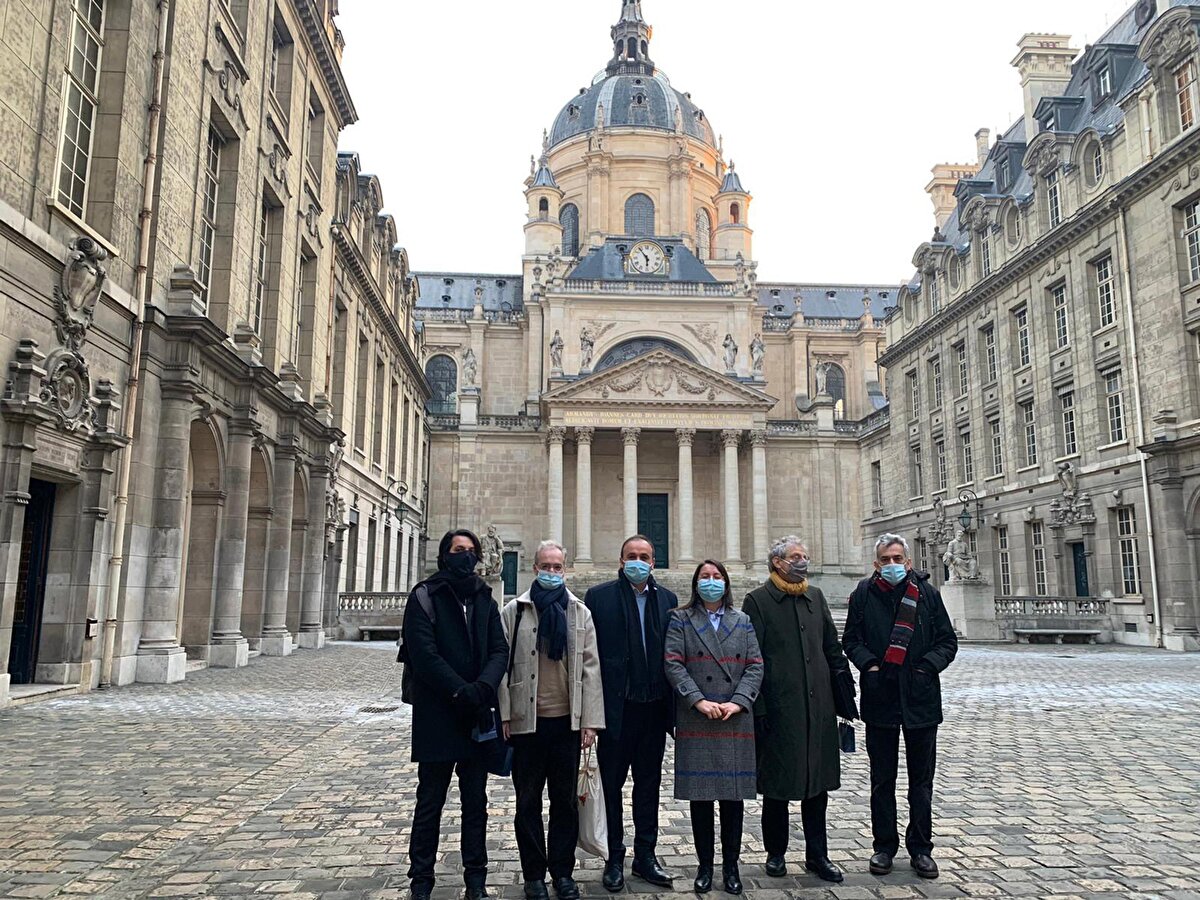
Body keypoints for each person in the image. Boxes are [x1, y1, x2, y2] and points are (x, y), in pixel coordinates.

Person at [842, 533, 959, 880]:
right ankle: (884, 847)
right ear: (876, 564)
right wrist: (871, 666)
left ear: (908, 562)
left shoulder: (928, 594)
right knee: (882, 780)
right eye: (885, 559)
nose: (891, 564)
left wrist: (925, 668)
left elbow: (947, 641)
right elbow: (851, 639)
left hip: (920, 699)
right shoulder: (864, 594)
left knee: (921, 782)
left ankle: (921, 849)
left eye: (897, 558)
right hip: (881, 697)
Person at [403, 529, 509, 900]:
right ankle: (421, 881)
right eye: (457, 549)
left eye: (470, 550)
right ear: (444, 555)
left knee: (475, 800)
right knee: (430, 799)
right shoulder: (424, 595)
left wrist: (481, 688)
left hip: (476, 713)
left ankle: (476, 879)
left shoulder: (484, 598)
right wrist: (459, 690)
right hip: (438, 714)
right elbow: (423, 654)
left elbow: (500, 648)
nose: (465, 555)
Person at [499, 541, 605, 900]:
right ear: (534, 566)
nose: (552, 572)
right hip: (526, 722)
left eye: (557, 566)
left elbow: (591, 669)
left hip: (566, 724)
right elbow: (502, 667)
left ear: (565, 570)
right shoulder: (515, 611)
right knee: (527, 801)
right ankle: (533, 875)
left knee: (564, 801)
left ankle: (562, 873)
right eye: (546, 566)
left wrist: (590, 721)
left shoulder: (580, 612)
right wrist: (504, 715)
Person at [743, 536, 850, 885]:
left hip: (818, 707)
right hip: (778, 708)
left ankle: (818, 854)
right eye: (795, 556)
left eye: (804, 555)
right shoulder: (757, 601)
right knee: (777, 787)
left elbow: (832, 649)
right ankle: (776, 853)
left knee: (816, 787)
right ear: (777, 562)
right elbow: (751, 659)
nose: (801, 561)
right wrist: (758, 709)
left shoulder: (815, 597)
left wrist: (844, 700)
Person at [584, 535, 679, 891]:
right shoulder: (599, 597)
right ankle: (613, 857)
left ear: (653, 562)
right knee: (611, 786)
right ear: (621, 560)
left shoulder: (668, 599)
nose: (638, 561)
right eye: (631, 556)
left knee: (649, 786)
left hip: (653, 709)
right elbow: (589, 660)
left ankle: (645, 856)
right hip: (616, 710)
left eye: (644, 556)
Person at [664, 560, 764, 896]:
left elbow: (755, 665)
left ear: (726, 582)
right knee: (701, 798)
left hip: (734, 717)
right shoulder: (680, 619)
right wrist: (697, 700)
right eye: (705, 577)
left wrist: (738, 701)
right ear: (696, 583)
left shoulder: (743, 621)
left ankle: (731, 867)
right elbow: (674, 664)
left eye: (717, 576)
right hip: (698, 715)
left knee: (733, 799)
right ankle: (705, 866)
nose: (711, 582)